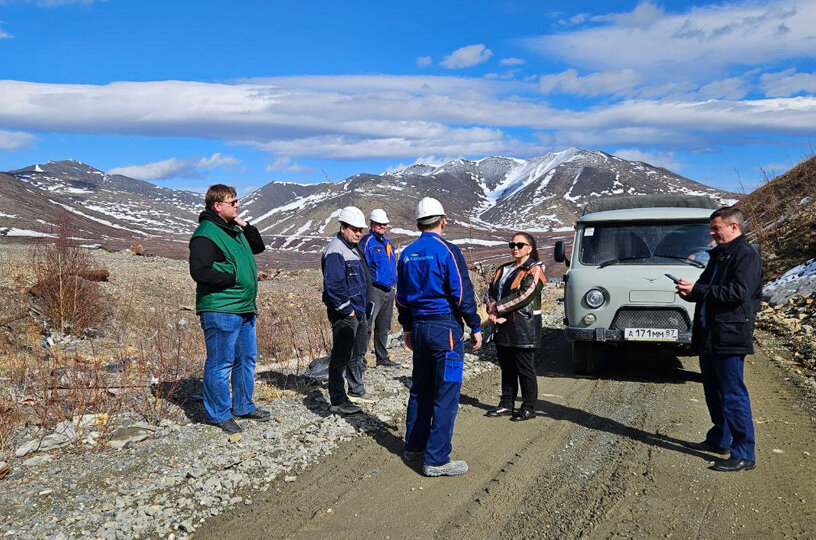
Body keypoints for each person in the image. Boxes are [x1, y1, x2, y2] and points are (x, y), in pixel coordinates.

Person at [396, 197, 483, 477]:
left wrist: (407, 327)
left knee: (421, 388)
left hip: (420, 328)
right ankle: (436, 459)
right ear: (442, 220)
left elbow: (402, 298)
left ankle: (414, 446)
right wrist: (475, 325)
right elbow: (461, 293)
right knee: (446, 393)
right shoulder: (448, 251)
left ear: (419, 223)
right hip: (444, 329)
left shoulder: (407, 253)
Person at [676, 206, 762, 472]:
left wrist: (699, 290)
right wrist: (690, 293)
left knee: (733, 394)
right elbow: (707, 288)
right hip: (710, 334)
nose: (712, 233)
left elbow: (738, 292)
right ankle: (720, 440)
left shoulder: (746, 255)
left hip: (730, 334)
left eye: (716, 228)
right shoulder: (719, 256)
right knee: (713, 391)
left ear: (733, 227)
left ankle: (744, 453)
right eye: (711, 228)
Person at [189, 184, 269, 434]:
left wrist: (243, 223)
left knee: (246, 359)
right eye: (232, 202)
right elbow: (200, 272)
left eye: (236, 201)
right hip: (221, 308)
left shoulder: (234, 229)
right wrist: (233, 276)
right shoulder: (206, 234)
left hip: (244, 307)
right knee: (221, 362)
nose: (237, 205)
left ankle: (243, 405)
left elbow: (258, 246)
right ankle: (219, 413)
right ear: (217, 206)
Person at [321, 206, 378, 415]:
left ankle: (356, 389)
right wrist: (348, 311)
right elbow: (334, 285)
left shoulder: (353, 247)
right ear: (343, 227)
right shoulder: (336, 250)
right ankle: (337, 399)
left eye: (360, 230)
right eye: (354, 229)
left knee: (358, 352)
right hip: (346, 313)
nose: (358, 233)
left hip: (359, 310)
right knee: (341, 356)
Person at [485, 233, 545, 422]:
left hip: (523, 326)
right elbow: (490, 292)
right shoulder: (503, 269)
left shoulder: (535, 269)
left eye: (520, 244)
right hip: (502, 325)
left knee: (525, 368)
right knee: (507, 367)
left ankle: (528, 407)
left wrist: (497, 308)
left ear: (530, 248)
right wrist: (491, 308)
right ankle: (506, 403)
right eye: (512, 244)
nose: (515, 247)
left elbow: (525, 294)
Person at [359, 209, 400, 367]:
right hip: (373, 290)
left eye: (385, 224)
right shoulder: (367, 242)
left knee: (384, 326)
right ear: (372, 224)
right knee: (367, 325)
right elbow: (363, 267)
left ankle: (382, 358)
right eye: (379, 224)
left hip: (389, 290)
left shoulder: (388, 243)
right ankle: (360, 360)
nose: (383, 226)